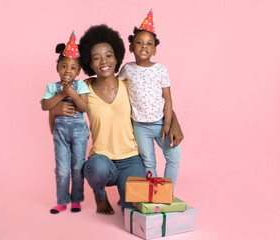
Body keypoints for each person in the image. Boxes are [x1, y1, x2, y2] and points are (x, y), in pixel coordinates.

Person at [50, 25, 184, 215]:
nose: (104, 61)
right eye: (97, 57)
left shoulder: (128, 83)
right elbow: (55, 100)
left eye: (108, 55)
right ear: (90, 63)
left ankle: (125, 190)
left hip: (131, 159)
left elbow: (155, 101)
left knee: (133, 208)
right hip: (101, 159)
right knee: (98, 168)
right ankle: (100, 194)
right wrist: (55, 109)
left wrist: (174, 123)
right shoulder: (84, 88)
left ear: (117, 57)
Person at [118, 10, 182, 188]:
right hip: (140, 126)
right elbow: (115, 87)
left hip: (161, 122)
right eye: (138, 42)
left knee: (174, 157)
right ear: (131, 47)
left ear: (154, 49)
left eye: (148, 43)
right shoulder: (127, 69)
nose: (143, 46)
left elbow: (167, 99)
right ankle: (154, 193)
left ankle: (168, 190)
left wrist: (168, 124)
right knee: (149, 163)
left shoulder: (161, 70)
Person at [40, 32, 90, 214]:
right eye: (64, 66)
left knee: (77, 167)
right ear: (58, 68)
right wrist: (61, 94)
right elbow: (45, 106)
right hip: (60, 133)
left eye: (72, 67)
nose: (68, 70)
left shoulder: (81, 86)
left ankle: (76, 200)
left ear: (78, 71)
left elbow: (84, 108)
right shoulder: (52, 88)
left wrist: (73, 94)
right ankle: (62, 201)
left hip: (79, 133)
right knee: (62, 168)